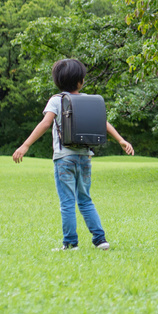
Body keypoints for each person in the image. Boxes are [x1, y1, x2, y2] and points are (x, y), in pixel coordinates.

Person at [12, 58, 134, 251]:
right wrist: (121, 140)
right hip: (85, 157)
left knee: (67, 202)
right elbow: (102, 122)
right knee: (85, 199)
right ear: (81, 81)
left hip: (64, 158)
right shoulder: (87, 100)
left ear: (57, 81)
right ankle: (100, 240)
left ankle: (70, 244)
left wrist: (25, 145)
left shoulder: (56, 100)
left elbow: (45, 123)